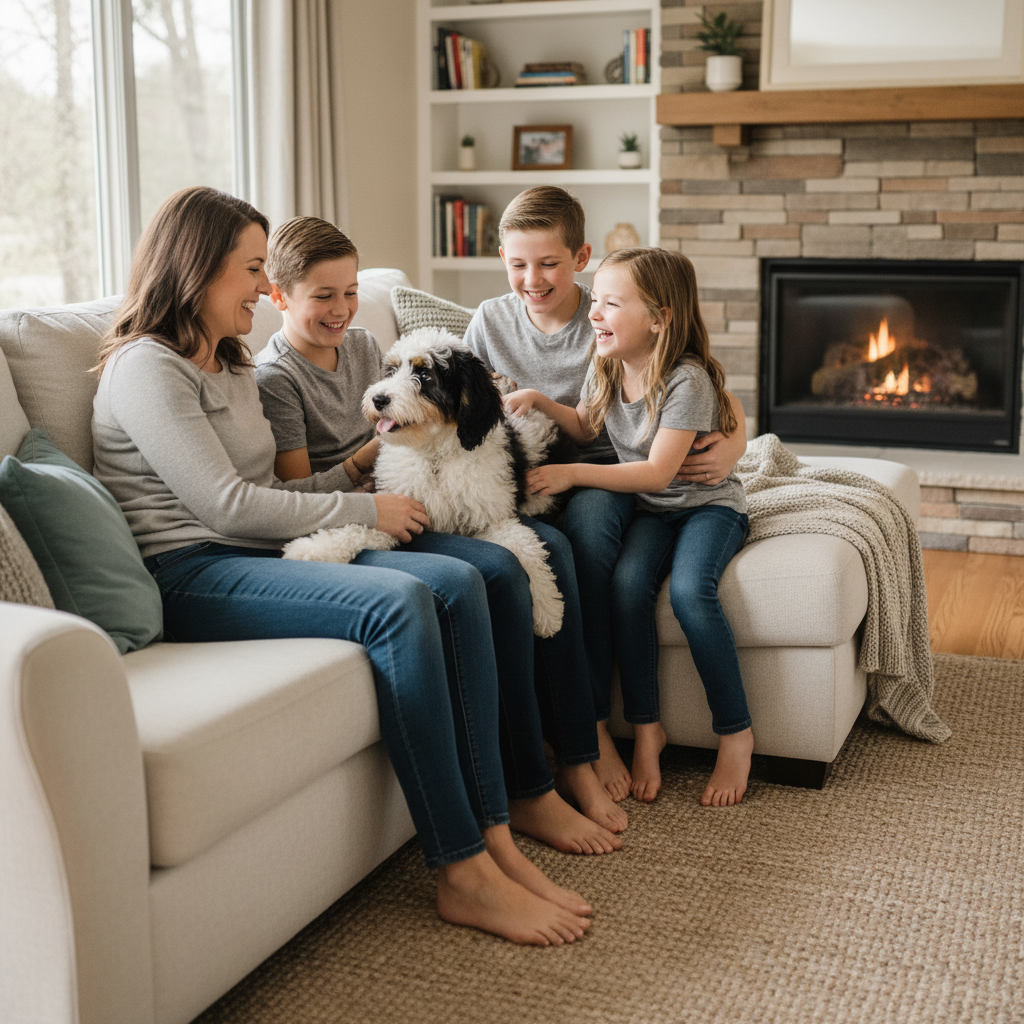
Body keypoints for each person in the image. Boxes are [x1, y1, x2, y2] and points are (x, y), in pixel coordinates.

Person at [90, 185, 592, 946]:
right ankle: (461, 869)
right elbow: (227, 507)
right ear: (197, 269)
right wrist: (366, 512)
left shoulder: (224, 361)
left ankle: (495, 829)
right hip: (189, 570)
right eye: (254, 271)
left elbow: (277, 494)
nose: (263, 290)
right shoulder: (147, 368)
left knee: (462, 577)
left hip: (254, 549)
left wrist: (365, 466)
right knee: (400, 604)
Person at [253, 215, 626, 849]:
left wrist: (473, 411)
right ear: (279, 296)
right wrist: (376, 467)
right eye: (325, 296)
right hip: (373, 501)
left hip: (418, 475)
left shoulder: (369, 347)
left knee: (557, 549)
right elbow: (299, 491)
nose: (343, 309)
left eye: (350, 292)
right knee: (506, 569)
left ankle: (582, 748)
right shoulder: (276, 378)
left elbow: (437, 386)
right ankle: (533, 780)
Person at [463, 187, 747, 802]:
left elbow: (697, 389)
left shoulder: (613, 314)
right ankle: (596, 727)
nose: (532, 279)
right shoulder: (496, 322)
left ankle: (615, 727)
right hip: (537, 476)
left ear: (581, 258)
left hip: (610, 477)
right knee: (594, 576)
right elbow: (492, 405)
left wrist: (738, 436)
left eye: (549, 263)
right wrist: (533, 404)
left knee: (594, 548)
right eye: (518, 264)